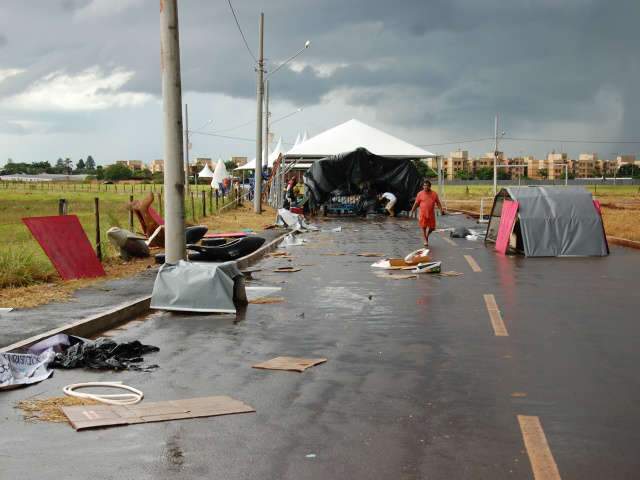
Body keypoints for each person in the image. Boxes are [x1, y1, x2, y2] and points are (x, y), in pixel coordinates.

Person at [410, 180, 445, 246]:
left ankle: (426, 236)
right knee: (423, 227)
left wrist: (441, 210)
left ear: (430, 186)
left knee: (432, 228)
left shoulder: (434, 194)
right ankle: (425, 240)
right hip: (423, 213)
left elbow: (438, 203)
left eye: (427, 186)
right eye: (424, 185)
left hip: (431, 214)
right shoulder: (420, 194)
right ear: (423, 186)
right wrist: (412, 211)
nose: (425, 187)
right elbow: (416, 203)